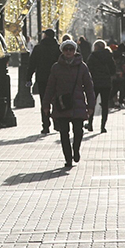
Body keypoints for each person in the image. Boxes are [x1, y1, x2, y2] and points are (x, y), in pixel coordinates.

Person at [43, 40, 95, 168]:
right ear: (62, 51)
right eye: (66, 49)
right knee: (64, 133)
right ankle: (68, 158)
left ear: (75, 51)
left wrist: (91, 105)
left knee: (78, 131)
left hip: (77, 104)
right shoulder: (56, 67)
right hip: (61, 105)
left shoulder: (82, 67)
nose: (68, 52)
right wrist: (46, 105)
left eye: (71, 49)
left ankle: (76, 149)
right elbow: (50, 87)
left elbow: (89, 87)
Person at [30, 30, 60, 134]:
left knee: (44, 102)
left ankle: (46, 125)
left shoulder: (38, 48)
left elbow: (32, 63)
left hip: (42, 79)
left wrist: (28, 78)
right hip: (56, 78)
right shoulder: (58, 48)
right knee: (56, 100)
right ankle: (57, 123)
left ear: (45, 36)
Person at [87, 39, 116, 133]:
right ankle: (103, 127)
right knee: (105, 105)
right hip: (106, 83)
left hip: (94, 83)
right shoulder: (109, 56)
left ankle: (90, 124)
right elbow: (113, 70)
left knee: (92, 103)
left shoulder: (92, 56)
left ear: (95, 47)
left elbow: (88, 69)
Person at [112, 43, 125, 107]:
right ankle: (121, 102)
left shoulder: (113, 55)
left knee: (114, 89)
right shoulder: (123, 58)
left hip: (114, 75)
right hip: (121, 75)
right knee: (122, 90)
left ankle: (114, 101)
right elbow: (124, 67)